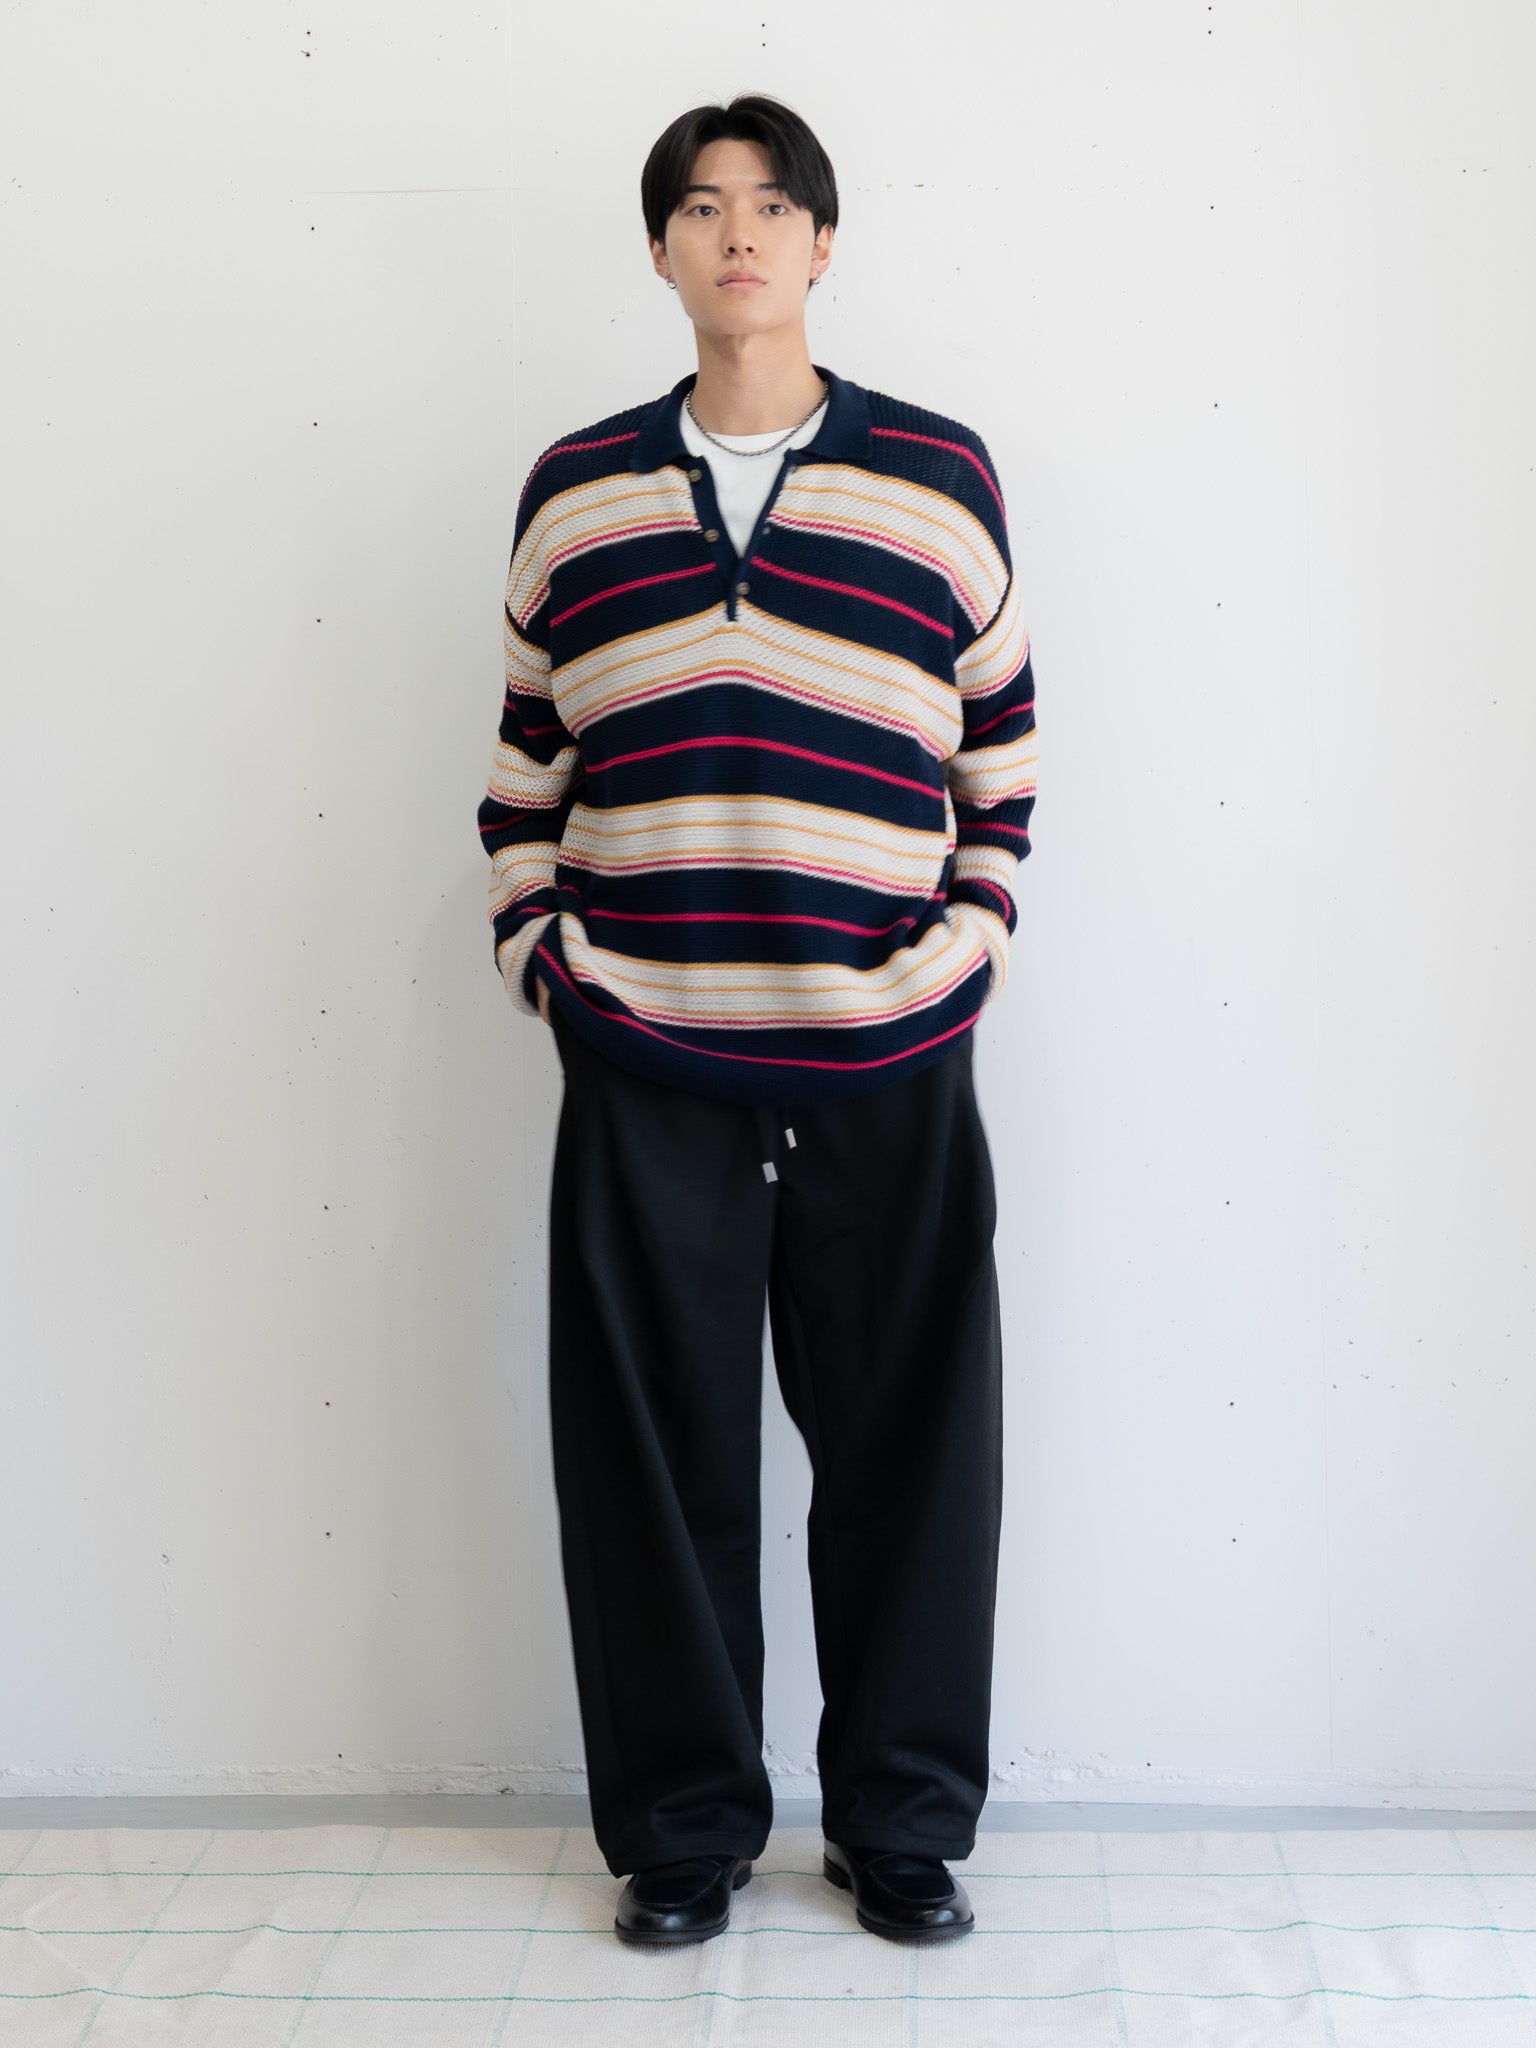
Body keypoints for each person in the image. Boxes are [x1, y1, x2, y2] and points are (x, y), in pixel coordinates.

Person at [477, 93, 1038, 1949]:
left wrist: (966, 949)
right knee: (653, 1463)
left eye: (777, 206)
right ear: (659, 249)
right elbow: (523, 774)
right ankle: (684, 1835)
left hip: (892, 1049)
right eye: (706, 207)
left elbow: (1002, 755)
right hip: (647, 1052)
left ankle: (901, 1826)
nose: (742, 233)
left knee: (913, 1454)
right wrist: (549, 965)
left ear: (823, 244)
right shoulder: (576, 493)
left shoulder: (938, 475)